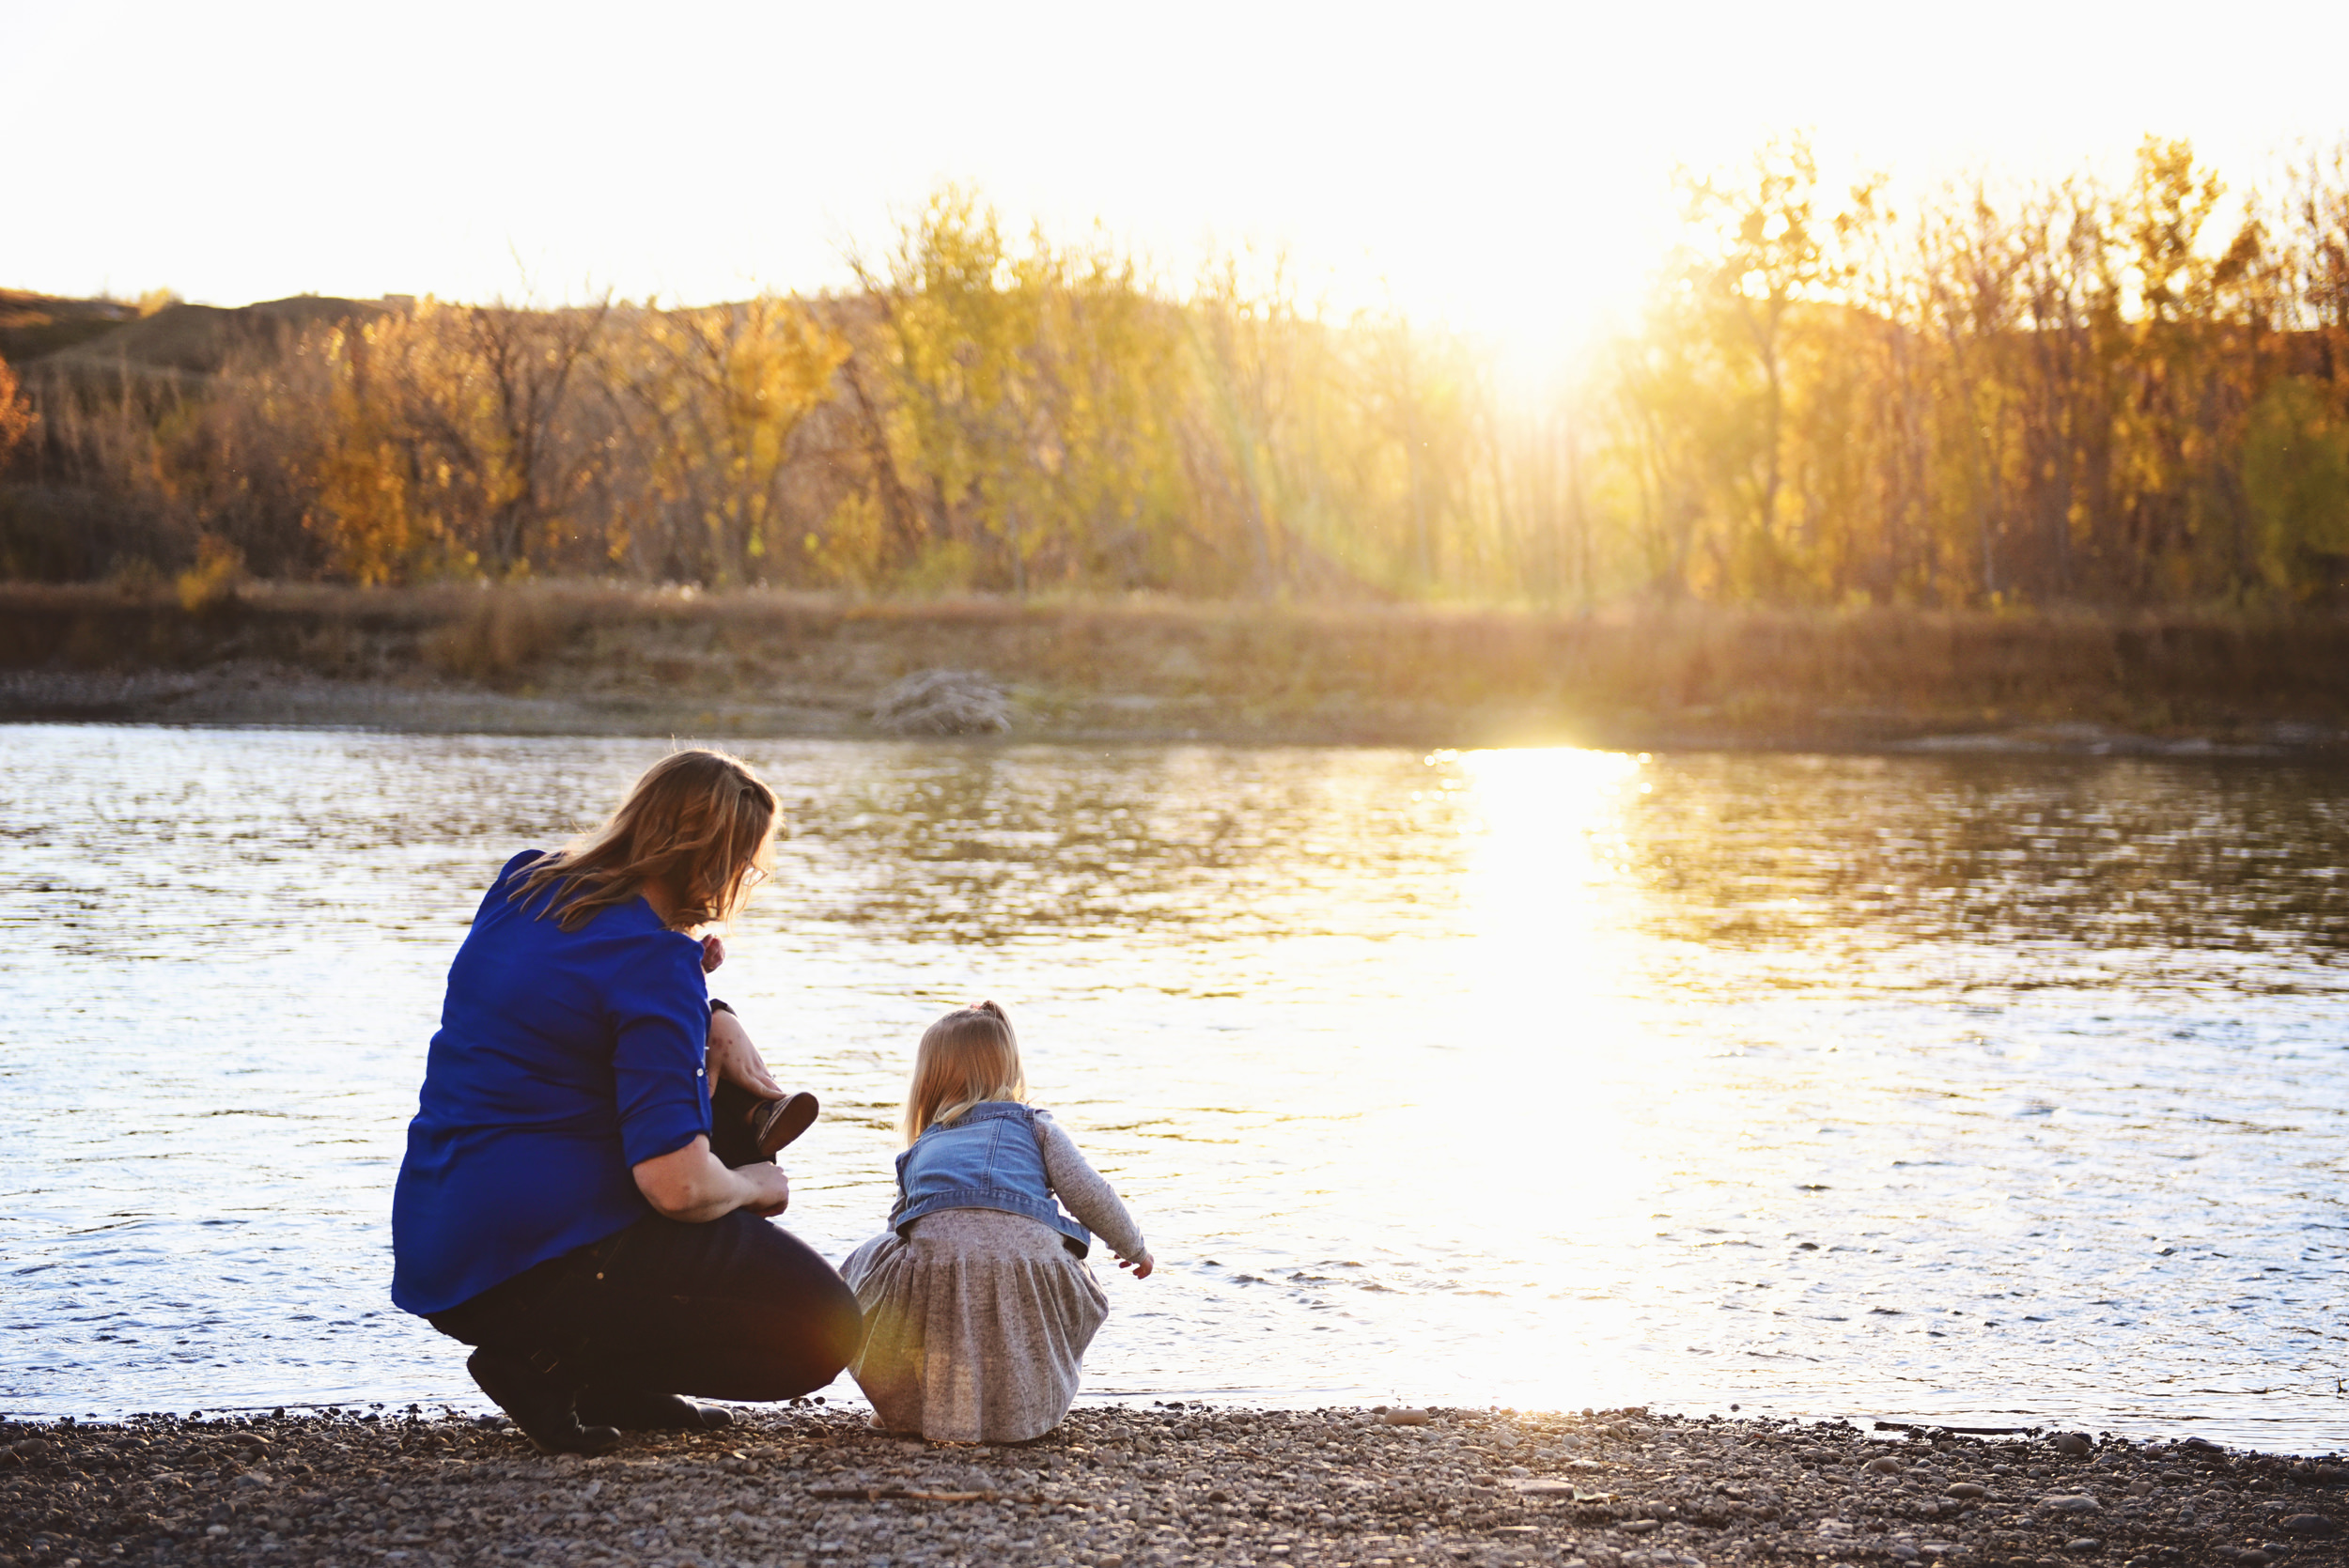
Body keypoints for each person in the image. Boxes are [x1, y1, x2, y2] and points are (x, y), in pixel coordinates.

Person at [390, 748, 861, 1454]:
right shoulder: (652, 964)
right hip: (534, 1258)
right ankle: (547, 1362)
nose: (743, 883)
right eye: (747, 866)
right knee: (826, 1331)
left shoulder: (525, 881)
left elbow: (569, 998)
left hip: (441, 1245)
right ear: (712, 860)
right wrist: (751, 1185)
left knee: (690, 1094)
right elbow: (673, 1187)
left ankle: (605, 1376)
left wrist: (708, 1008)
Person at [842, 1001, 1153, 1443]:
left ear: (928, 1083)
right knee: (1063, 1269)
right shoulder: (1036, 1126)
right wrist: (1134, 1247)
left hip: (937, 1270)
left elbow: (901, 1231)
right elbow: (1088, 1193)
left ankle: (906, 1406)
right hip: (1032, 1271)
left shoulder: (918, 1151)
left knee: (874, 1266)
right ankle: (1025, 1410)